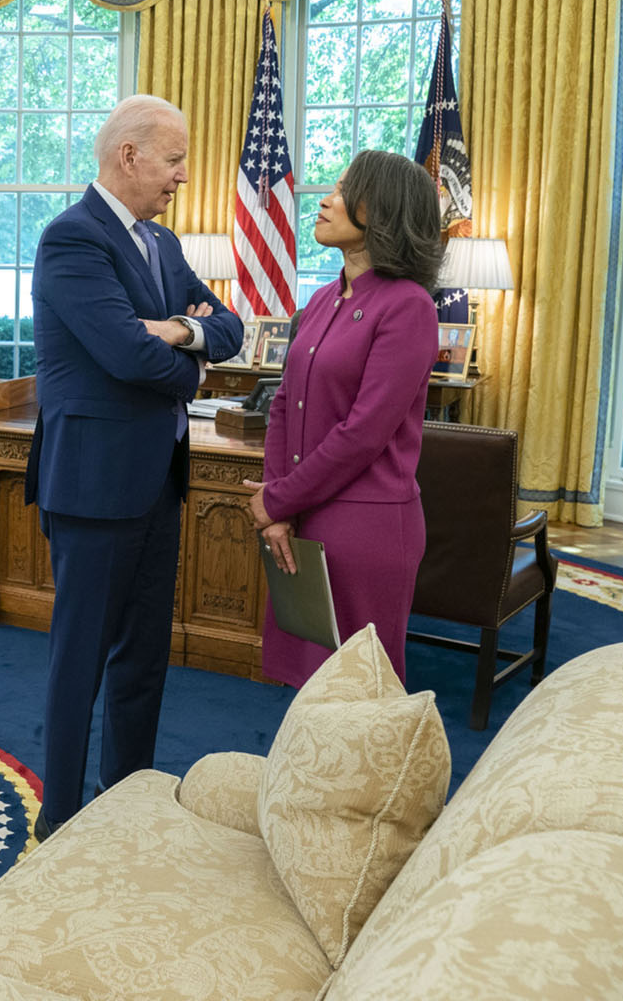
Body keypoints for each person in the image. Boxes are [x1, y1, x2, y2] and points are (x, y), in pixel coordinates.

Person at [24, 94, 244, 839]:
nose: (182, 175)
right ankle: (59, 821)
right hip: (91, 488)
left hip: (157, 482)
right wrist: (192, 367)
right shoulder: (72, 240)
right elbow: (124, 354)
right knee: (79, 663)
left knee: (145, 660)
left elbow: (233, 328)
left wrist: (180, 329)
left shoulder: (165, 244)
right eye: (175, 159)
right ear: (130, 156)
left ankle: (127, 804)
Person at [244, 149, 443, 687]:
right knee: (306, 687)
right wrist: (279, 502)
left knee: (356, 697)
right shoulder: (321, 299)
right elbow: (283, 403)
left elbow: (363, 435)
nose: (325, 200)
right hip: (301, 518)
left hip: (366, 529)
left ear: (380, 211)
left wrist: (277, 500)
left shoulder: (409, 307)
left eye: (341, 190)